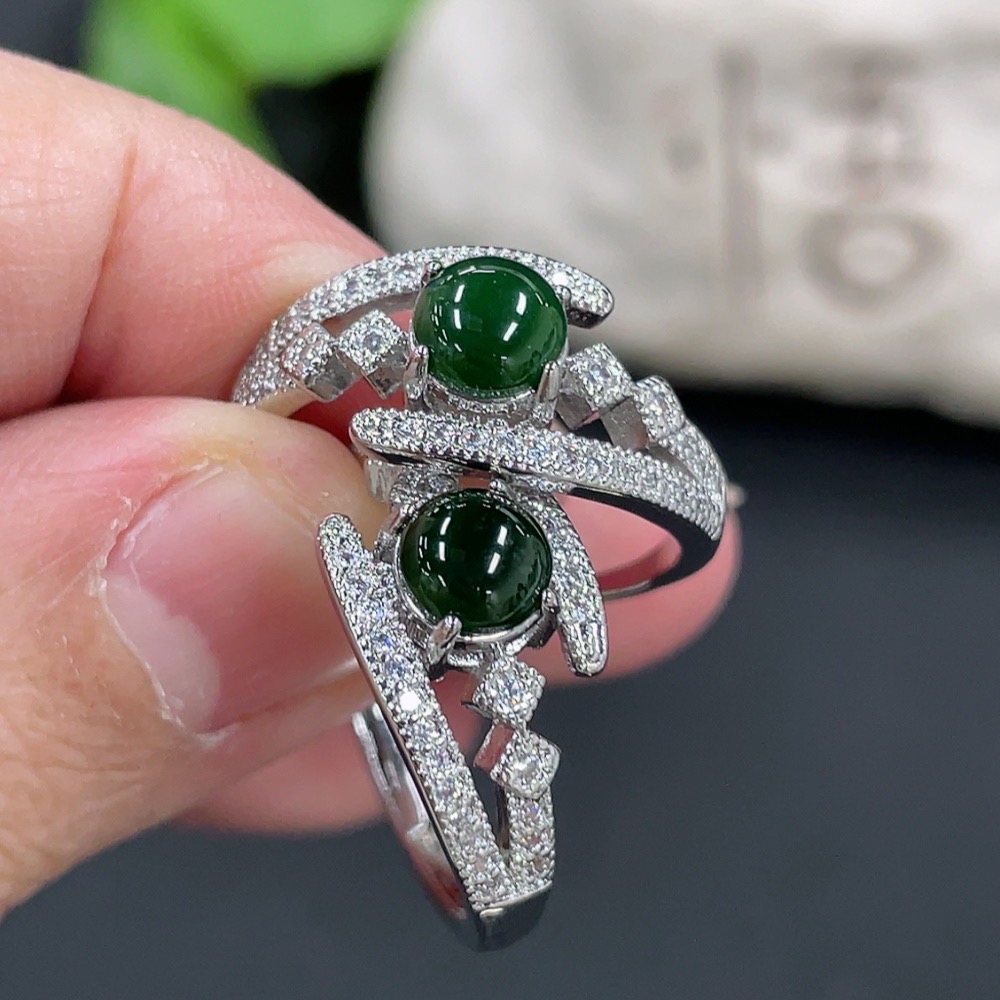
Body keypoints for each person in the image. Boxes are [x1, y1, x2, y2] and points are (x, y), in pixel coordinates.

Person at [0, 50, 739, 917]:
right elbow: (271, 389)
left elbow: (663, 514)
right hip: (422, 543)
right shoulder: (385, 355)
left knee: (510, 727)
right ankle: (500, 847)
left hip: (487, 557)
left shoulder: (562, 392)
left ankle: (506, 842)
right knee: (502, 725)